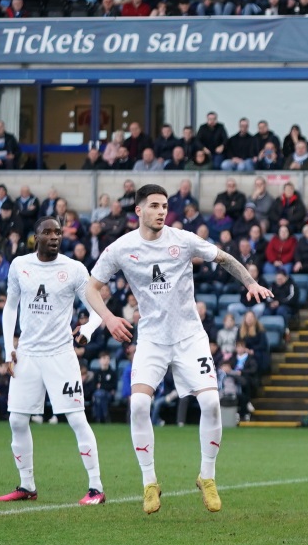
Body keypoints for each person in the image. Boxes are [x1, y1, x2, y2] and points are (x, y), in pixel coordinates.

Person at [82, 184, 271, 516]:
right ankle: (149, 482)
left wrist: (251, 283)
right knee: (139, 405)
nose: (161, 211)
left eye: (165, 206)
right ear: (138, 210)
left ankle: (207, 477)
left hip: (189, 337)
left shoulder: (183, 240)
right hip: (152, 339)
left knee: (211, 403)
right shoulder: (121, 248)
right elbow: (91, 288)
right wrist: (108, 318)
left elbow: (224, 258)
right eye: (154, 205)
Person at [0, 217, 105, 506]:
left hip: (60, 356)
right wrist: (8, 348)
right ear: (36, 237)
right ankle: (27, 485)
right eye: (48, 232)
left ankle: (96, 488)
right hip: (28, 355)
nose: (54, 236)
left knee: (77, 419)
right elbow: (10, 307)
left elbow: (97, 309)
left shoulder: (74, 269)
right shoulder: (20, 265)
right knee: (17, 420)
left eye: (58, 232)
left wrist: (88, 330)